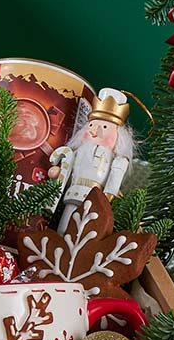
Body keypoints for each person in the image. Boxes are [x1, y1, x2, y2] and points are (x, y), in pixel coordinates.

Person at [49, 88, 134, 234]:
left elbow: (113, 181)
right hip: (74, 192)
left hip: (95, 198)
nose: (94, 131)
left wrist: (108, 196)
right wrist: (59, 172)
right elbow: (69, 169)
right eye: (91, 125)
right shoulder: (78, 152)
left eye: (105, 127)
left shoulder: (117, 161)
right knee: (64, 225)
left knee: (84, 230)